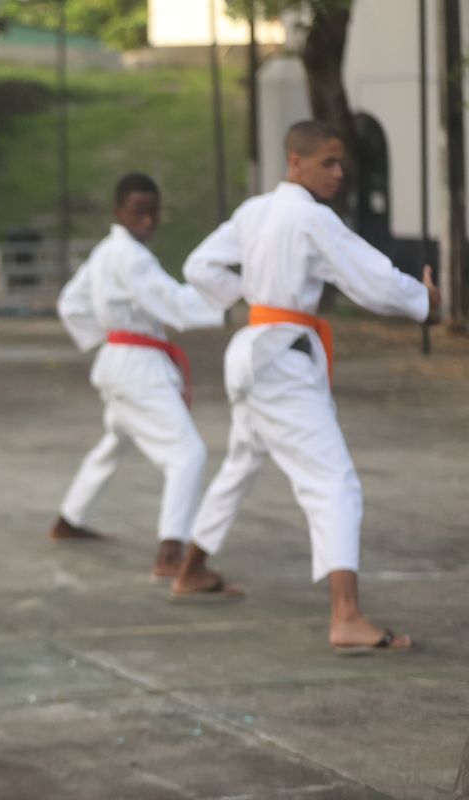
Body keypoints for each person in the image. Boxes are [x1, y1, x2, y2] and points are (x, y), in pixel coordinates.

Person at [173, 120, 439, 655]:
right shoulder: (311, 218)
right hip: (280, 363)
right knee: (334, 482)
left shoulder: (255, 211)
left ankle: (191, 570)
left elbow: (197, 265)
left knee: (241, 464)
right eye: (328, 163)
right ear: (296, 162)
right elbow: (372, 277)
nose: (339, 173)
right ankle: (346, 616)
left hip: (255, 353)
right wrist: (426, 300)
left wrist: (246, 293)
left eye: (342, 164)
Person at [52, 173, 223, 577]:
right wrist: (229, 301)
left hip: (119, 360)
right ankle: (170, 553)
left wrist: (107, 335)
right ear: (119, 213)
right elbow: (175, 304)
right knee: (188, 454)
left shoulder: (107, 251)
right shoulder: (132, 257)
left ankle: (69, 520)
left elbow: (70, 304)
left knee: (115, 441)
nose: (148, 221)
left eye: (153, 212)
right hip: (136, 366)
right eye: (138, 213)